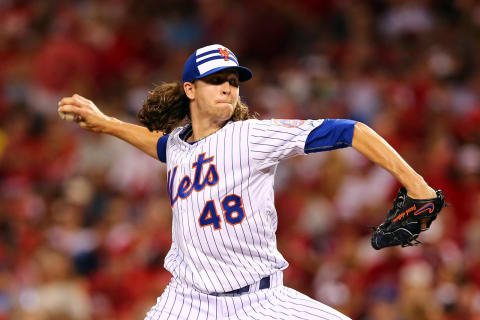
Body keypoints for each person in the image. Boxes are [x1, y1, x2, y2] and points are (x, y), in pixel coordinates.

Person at [58, 44, 437, 320]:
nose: (227, 87)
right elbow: (160, 146)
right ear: (190, 89)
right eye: (215, 80)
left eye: (233, 81)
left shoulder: (250, 136)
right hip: (187, 302)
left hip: (262, 302)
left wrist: (417, 184)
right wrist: (105, 122)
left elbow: (351, 130)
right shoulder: (178, 144)